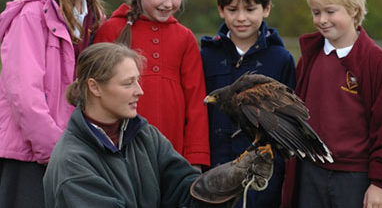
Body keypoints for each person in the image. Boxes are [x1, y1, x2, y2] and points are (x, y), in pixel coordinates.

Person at [43, 42, 274, 208]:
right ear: (94, 87)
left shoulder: (145, 135)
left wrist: (232, 177)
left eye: (138, 80)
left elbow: (187, 192)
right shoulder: (71, 162)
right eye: (127, 84)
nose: (139, 91)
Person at [0, 0, 111, 207]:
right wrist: (55, 150)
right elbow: (25, 94)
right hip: (29, 154)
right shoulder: (32, 15)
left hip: (69, 147)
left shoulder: (92, 17)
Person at [281, 0, 382, 208]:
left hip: (356, 176)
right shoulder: (309, 58)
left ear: (354, 10)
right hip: (310, 171)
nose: (321, 20)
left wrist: (381, 183)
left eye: (330, 11)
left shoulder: (376, 63)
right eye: (316, 12)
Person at [93, 0, 209, 169]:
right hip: (118, 156)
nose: (168, 3)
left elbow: (197, 104)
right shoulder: (110, 30)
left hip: (172, 157)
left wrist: (196, 159)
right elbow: (95, 97)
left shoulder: (185, 39)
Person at [201, 0, 296, 208]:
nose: (241, 17)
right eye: (233, 10)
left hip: (263, 176)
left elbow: (289, 122)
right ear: (221, 10)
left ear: (266, 9)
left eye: (250, 9)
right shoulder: (206, 55)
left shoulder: (281, 58)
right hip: (215, 166)